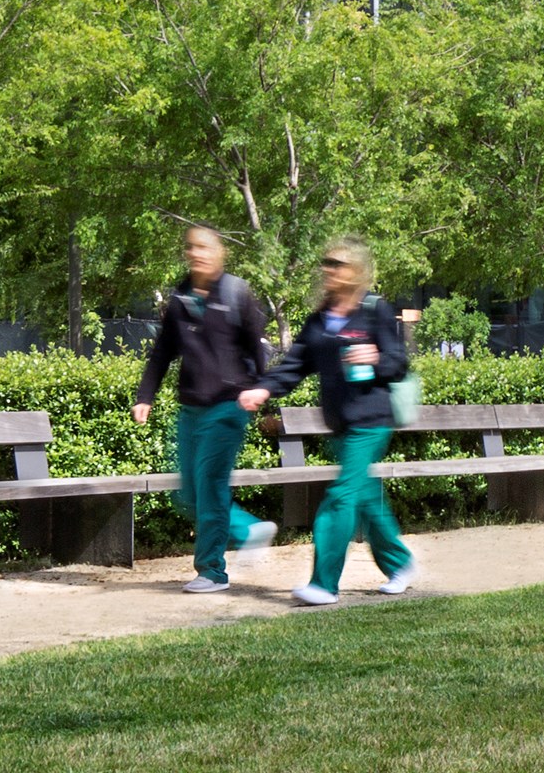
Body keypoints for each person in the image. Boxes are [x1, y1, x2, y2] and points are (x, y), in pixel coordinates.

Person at [239, 235, 415, 605]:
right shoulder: (319, 320)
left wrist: (375, 358)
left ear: (356, 270)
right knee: (363, 497)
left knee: (339, 498)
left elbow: (399, 363)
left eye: (337, 263)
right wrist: (264, 390)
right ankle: (400, 562)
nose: (329, 269)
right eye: (326, 263)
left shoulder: (374, 309)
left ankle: (323, 584)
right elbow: (294, 365)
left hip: (372, 421)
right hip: (340, 423)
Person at [132, 224, 278, 594]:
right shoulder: (180, 297)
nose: (197, 253)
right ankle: (247, 528)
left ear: (219, 253)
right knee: (187, 494)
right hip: (190, 408)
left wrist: (262, 394)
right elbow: (163, 351)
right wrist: (145, 395)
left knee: (210, 488)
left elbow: (257, 349)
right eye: (192, 247)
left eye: (204, 248)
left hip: (228, 406)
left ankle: (211, 571)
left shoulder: (236, 293)